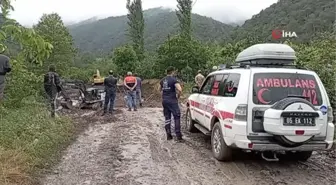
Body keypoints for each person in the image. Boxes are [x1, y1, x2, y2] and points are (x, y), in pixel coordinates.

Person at [160, 66, 183, 141]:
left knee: (167, 117)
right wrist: (178, 96)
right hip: (172, 100)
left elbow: (159, 89)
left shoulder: (162, 80)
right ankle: (178, 135)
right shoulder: (174, 80)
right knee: (177, 116)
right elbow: (179, 89)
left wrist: (164, 95)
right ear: (172, 72)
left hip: (165, 100)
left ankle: (168, 134)